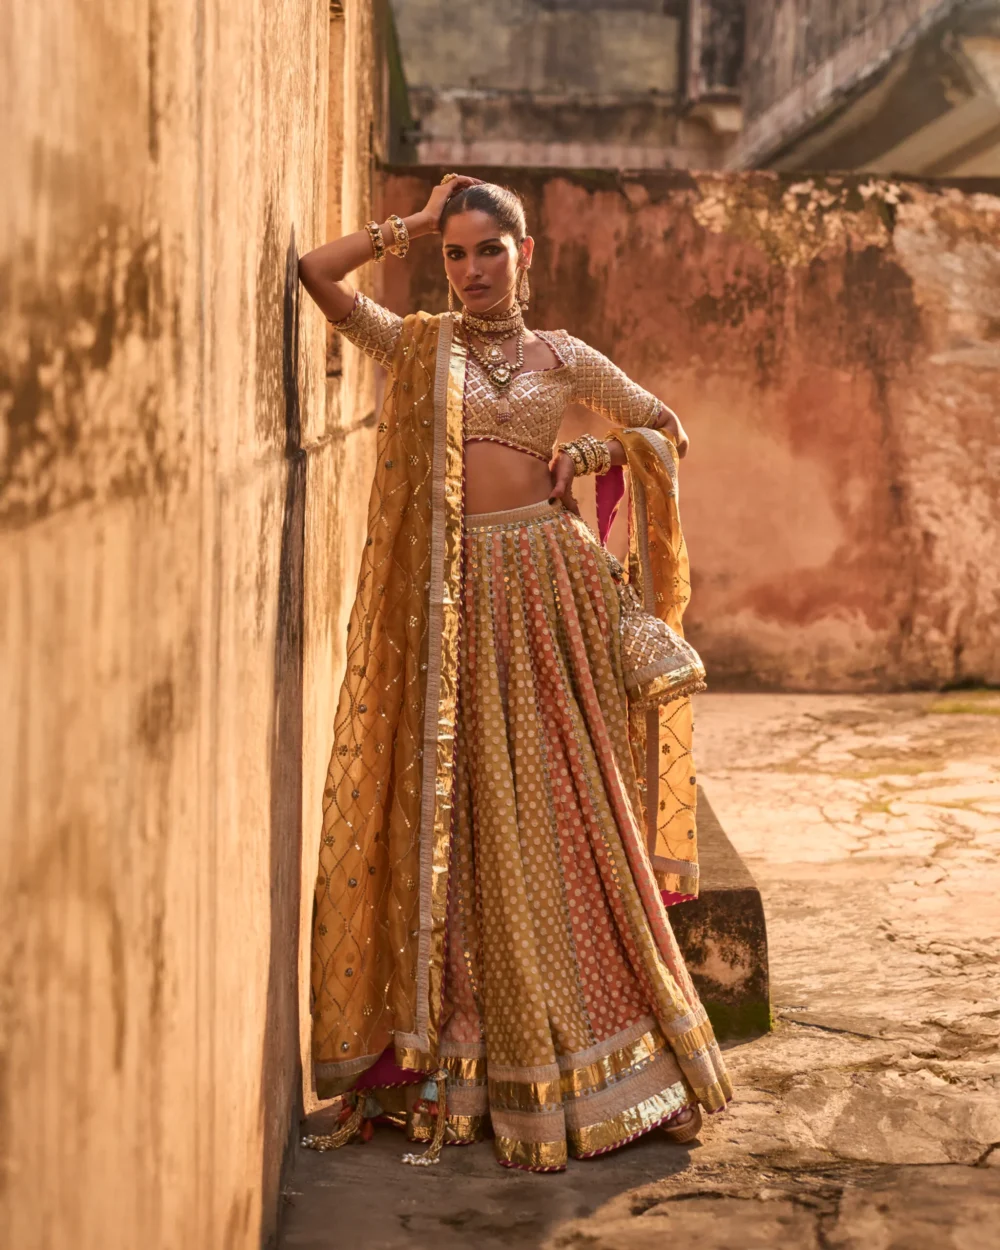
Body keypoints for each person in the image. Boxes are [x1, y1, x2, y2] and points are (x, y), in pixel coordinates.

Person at [297, 175, 732, 1173]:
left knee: (559, 811)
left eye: (488, 249)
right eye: (453, 253)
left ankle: (597, 1051)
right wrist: (401, 227)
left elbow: (665, 426)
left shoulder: (564, 356)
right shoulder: (417, 345)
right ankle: (465, 1061)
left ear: (523, 253)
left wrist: (587, 448)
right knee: (463, 823)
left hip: (546, 597)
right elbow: (319, 278)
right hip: (448, 608)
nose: (470, 270)